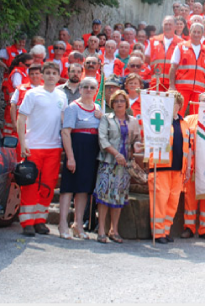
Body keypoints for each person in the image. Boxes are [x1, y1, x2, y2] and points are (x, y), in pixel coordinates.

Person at [17, 62, 68, 237]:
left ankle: (40, 220)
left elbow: (64, 120)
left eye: (54, 73)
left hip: (54, 147)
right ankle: (27, 221)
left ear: (59, 76)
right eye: (48, 73)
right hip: (34, 146)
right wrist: (23, 142)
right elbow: (21, 118)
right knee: (31, 183)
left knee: (48, 184)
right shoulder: (32, 94)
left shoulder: (62, 96)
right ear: (42, 75)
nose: (51, 76)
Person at [95, 90, 142, 243]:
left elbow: (136, 139)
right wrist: (116, 154)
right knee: (104, 196)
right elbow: (102, 139)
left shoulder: (133, 121)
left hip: (125, 165)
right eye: (116, 101)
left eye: (122, 101)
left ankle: (114, 230)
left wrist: (137, 146)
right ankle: (101, 229)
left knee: (119, 196)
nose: (119, 103)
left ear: (126, 104)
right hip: (108, 162)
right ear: (112, 104)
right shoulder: (106, 119)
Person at [59, 77, 102, 240]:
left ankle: (78, 224)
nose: (88, 90)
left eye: (92, 87)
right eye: (85, 87)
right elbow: (65, 132)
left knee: (84, 189)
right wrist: (70, 156)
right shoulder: (73, 107)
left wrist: (102, 117)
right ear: (80, 89)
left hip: (91, 151)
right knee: (69, 187)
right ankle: (63, 223)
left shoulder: (98, 107)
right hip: (77, 148)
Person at [147, 91, 189, 244]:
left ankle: (166, 230)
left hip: (178, 169)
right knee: (160, 200)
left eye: (173, 103)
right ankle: (157, 233)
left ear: (179, 106)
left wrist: (188, 167)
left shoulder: (184, 124)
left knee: (172, 202)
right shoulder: (158, 120)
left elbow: (188, 148)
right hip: (161, 167)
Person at [181, 91, 205, 240]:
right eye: (203, 101)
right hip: (193, 165)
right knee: (190, 197)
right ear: (198, 102)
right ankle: (188, 227)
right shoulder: (189, 120)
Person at [168, 23, 205, 115]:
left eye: (198, 32)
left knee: (196, 116)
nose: (196, 34)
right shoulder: (180, 47)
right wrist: (171, 85)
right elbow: (173, 67)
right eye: (194, 32)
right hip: (182, 88)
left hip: (199, 90)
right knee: (177, 114)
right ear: (190, 32)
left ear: (202, 34)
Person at [146, 16, 184, 91]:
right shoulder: (153, 40)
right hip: (156, 81)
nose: (168, 27)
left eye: (170, 24)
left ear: (175, 27)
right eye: (166, 24)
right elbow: (146, 58)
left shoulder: (181, 43)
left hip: (173, 83)